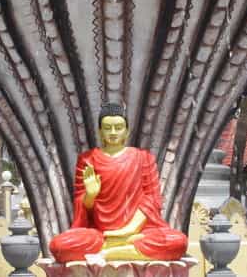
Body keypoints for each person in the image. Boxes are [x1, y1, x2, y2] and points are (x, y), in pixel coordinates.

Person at [49, 102, 188, 262]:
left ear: (127, 131)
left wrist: (129, 229)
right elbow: (83, 209)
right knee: (59, 246)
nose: (113, 132)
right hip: (101, 234)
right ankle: (124, 248)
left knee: (178, 242)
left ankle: (109, 253)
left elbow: (152, 200)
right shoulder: (88, 160)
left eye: (118, 127)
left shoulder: (143, 158)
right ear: (100, 131)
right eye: (107, 128)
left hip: (136, 232)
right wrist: (90, 195)